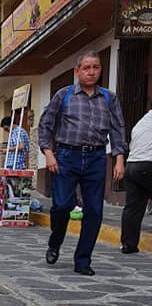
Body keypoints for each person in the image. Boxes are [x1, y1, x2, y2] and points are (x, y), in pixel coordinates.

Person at [38, 50, 126, 276]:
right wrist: (48, 153)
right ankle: (55, 242)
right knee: (62, 206)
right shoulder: (64, 95)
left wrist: (119, 159)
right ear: (77, 71)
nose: (91, 72)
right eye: (86, 68)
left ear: (100, 69)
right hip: (66, 157)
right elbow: (46, 124)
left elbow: (117, 129)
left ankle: (83, 260)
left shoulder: (109, 98)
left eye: (95, 67)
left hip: (96, 158)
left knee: (95, 211)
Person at [121, 107, 152, 253]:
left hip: (132, 165)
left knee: (133, 207)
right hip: (148, 164)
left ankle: (128, 244)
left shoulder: (142, 122)